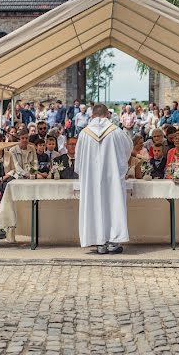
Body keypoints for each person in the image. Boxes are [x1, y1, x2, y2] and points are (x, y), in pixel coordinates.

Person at [75, 104, 133, 254]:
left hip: (92, 180)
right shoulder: (117, 132)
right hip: (112, 178)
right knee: (113, 205)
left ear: (92, 115)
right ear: (107, 114)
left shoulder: (84, 134)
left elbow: (78, 160)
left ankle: (99, 242)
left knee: (94, 205)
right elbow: (128, 150)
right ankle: (113, 241)